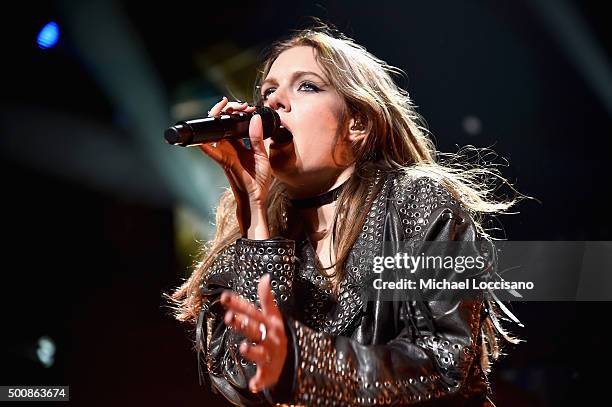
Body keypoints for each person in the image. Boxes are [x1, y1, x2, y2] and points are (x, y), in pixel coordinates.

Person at [169, 23, 523, 406]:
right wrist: (255, 207)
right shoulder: (259, 239)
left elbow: (443, 363)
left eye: (306, 86)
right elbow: (252, 380)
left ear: (357, 123)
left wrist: (303, 362)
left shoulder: (416, 201)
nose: (273, 103)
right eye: (268, 91)